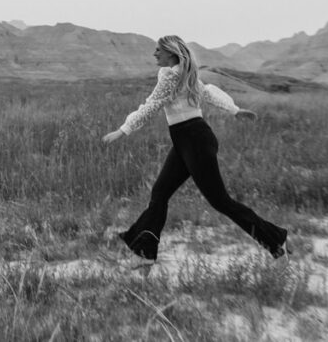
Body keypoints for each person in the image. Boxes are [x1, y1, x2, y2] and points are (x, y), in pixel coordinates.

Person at [102, 35, 288, 265]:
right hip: (187, 140)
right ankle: (144, 253)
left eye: (158, 50)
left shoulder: (172, 76)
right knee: (160, 193)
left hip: (195, 140)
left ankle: (276, 241)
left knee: (221, 201)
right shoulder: (180, 74)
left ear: (171, 53)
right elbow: (207, 92)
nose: (155, 54)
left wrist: (124, 129)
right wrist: (234, 110)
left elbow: (152, 105)